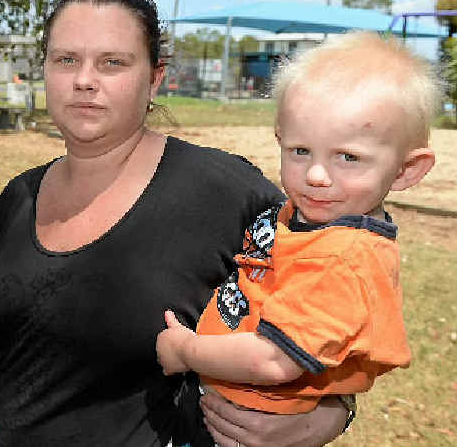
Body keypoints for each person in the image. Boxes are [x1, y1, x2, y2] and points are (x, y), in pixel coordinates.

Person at [0, 0, 351, 447]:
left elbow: (343, 294)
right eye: (66, 60)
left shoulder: (222, 191)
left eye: (113, 63)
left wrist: (330, 413)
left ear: (154, 78)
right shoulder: (20, 194)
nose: (84, 80)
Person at [156, 31, 437, 414]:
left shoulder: (343, 260)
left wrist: (186, 350)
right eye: (301, 151)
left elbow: (272, 361)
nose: (317, 175)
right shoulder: (313, 218)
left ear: (405, 171)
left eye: (348, 157)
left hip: (245, 419)